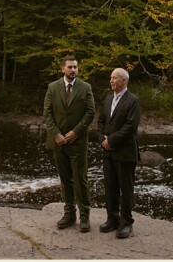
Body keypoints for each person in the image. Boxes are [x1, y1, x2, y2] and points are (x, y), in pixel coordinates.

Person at [43, 55, 95, 232]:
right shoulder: (53, 87)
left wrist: (75, 132)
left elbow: (90, 113)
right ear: (62, 69)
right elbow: (47, 113)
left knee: (80, 179)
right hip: (59, 143)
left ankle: (85, 216)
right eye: (70, 67)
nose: (73, 70)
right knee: (65, 179)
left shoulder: (85, 88)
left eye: (75, 67)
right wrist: (56, 134)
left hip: (78, 142)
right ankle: (69, 214)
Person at [99, 67, 141, 239]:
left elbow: (131, 127)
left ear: (124, 80)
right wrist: (103, 139)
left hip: (125, 153)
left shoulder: (133, 101)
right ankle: (112, 219)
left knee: (126, 189)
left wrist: (112, 140)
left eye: (114, 78)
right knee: (110, 188)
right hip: (108, 153)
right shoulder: (108, 99)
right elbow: (101, 121)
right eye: (111, 78)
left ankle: (126, 224)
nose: (111, 81)